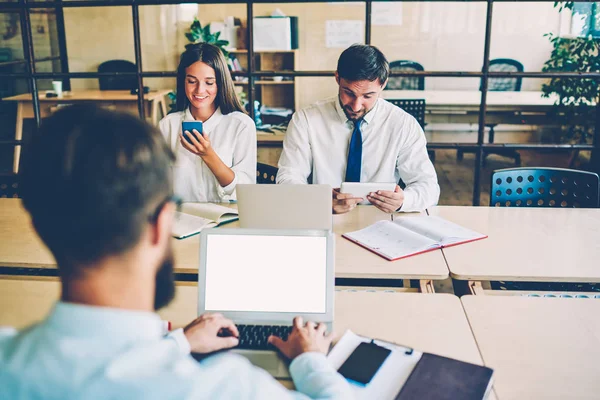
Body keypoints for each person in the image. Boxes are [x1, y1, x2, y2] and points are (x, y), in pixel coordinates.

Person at [0, 105, 351, 399]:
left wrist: (176, 343)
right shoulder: (226, 387)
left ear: (40, 227)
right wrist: (311, 361)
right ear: (161, 223)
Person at [276, 44, 439, 214]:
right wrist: (318, 200)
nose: (356, 106)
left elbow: (428, 187)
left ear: (383, 85)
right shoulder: (306, 120)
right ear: (337, 78)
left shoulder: (403, 124)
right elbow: (288, 177)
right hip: (322, 216)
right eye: (349, 93)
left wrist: (404, 201)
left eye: (368, 96)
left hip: (380, 221)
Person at [159, 43, 256, 202]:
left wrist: (207, 154)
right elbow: (157, 188)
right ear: (183, 82)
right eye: (192, 81)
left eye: (209, 82)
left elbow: (245, 193)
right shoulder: (168, 126)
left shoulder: (241, 125)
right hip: (183, 221)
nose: (199, 90)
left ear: (220, 83)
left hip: (226, 220)